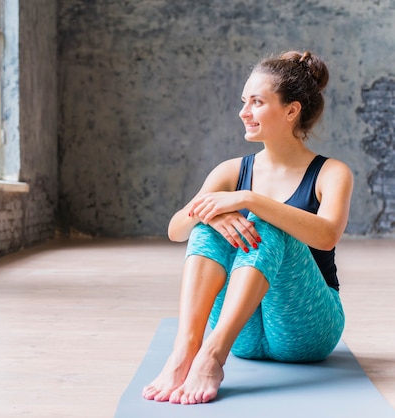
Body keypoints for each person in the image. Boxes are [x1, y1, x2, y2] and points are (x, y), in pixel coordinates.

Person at [141, 50, 353, 405]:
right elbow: (176, 230)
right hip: (244, 336)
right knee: (207, 225)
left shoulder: (331, 172)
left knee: (267, 225)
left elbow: (327, 234)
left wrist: (249, 200)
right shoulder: (231, 170)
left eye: (256, 102)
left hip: (308, 327)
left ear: (291, 110)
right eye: (244, 101)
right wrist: (214, 213)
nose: (244, 112)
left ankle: (211, 358)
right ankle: (186, 350)